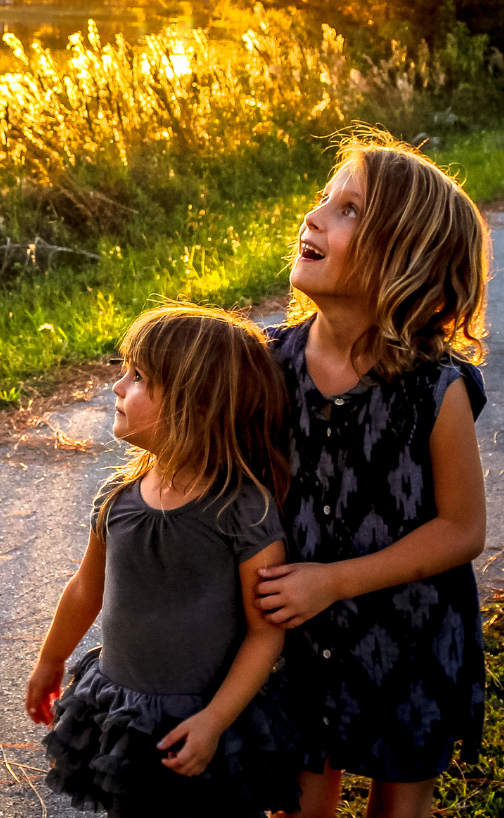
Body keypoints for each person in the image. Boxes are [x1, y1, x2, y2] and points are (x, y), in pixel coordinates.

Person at [257, 132, 489, 818]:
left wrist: (333, 582)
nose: (314, 215)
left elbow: (462, 530)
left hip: (410, 639)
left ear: (406, 259)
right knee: (293, 804)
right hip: (293, 638)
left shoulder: (434, 390)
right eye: (324, 199)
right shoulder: (267, 367)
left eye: (349, 209)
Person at [25, 305, 304, 818]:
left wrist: (216, 720)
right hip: (123, 709)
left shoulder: (242, 510)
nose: (117, 386)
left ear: (193, 405)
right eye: (124, 370)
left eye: (139, 378)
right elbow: (86, 589)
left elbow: (266, 632)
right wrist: (51, 659)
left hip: (205, 717)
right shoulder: (118, 496)